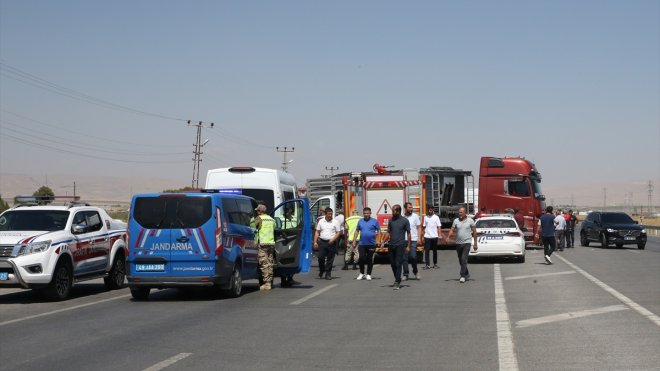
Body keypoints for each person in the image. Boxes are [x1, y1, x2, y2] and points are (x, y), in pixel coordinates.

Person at [380, 204, 411, 290]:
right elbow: (388, 233)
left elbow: (408, 234)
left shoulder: (405, 221)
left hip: (400, 245)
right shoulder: (391, 221)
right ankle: (398, 278)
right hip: (391, 245)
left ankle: (397, 281)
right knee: (393, 264)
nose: (392, 212)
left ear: (398, 211)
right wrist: (383, 242)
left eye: (393, 210)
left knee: (398, 264)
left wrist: (408, 246)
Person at [447, 207, 477, 283]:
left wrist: (475, 244)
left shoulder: (471, 221)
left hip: (467, 242)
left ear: (465, 213)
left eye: (461, 212)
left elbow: (475, 232)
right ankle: (466, 273)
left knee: (464, 259)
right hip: (458, 243)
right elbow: (452, 230)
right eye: (459, 212)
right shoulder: (456, 221)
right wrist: (448, 237)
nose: (459, 214)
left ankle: (462, 275)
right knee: (461, 260)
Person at [352, 207, 381, 281]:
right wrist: (354, 241)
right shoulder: (360, 221)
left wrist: (378, 240)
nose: (366, 215)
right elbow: (357, 231)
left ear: (370, 213)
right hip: (362, 244)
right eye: (365, 213)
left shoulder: (374, 221)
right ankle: (362, 273)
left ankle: (368, 274)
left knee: (370, 259)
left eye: (367, 213)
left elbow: (379, 231)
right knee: (361, 258)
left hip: (371, 244)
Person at [314, 207, 341, 280]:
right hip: (322, 242)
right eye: (329, 214)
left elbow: (338, 232)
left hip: (331, 242)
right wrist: (315, 242)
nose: (330, 215)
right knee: (320, 257)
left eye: (331, 214)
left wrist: (333, 239)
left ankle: (328, 274)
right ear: (325, 214)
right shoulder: (321, 221)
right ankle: (322, 270)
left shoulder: (335, 222)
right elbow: (317, 232)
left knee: (330, 259)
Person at [254, 204, 276, 291]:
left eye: (257, 211)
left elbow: (253, 228)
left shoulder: (259, 218)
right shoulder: (271, 219)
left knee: (264, 263)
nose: (256, 213)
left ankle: (267, 284)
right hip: (271, 243)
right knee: (270, 263)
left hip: (262, 243)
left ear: (259, 211)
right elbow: (274, 229)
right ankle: (270, 281)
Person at [402, 202, 422, 280]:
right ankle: (405, 274)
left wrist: (419, 238)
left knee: (413, 256)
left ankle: (415, 271)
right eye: (409, 207)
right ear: (405, 208)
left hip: (413, 239)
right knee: (404, 258)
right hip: (404, 240)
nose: (411, 209)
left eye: (411, 207)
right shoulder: (402, 217)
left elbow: (419, 227)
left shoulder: (415, 216)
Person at [422, 205, 443, 269]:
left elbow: (439, 226)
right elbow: (424, 227)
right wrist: (423, 236)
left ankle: (435, 264)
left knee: (434, 251)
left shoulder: (436, 217)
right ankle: (427, 265)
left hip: (434, 236)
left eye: (431, 209)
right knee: (427, 251)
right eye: (429, 209)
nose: (430, 210)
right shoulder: (425, 217)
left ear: (433, 210)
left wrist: (439, 235)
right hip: (427, 236)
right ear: (427, 210)